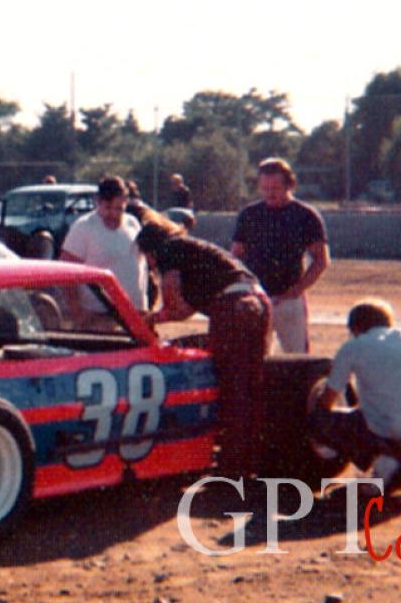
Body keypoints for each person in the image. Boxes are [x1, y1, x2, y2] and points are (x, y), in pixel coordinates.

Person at [136, 211, 271, 475]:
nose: (150, 265)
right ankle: (251, 459)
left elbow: (174, 305)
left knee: (231, 387)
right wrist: (158, 316)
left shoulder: (168, 251)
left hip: (233, 307)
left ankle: (232, 465)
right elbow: (185, 310)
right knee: (252, 385)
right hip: (257, 301)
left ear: (150, 252)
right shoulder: (192, 249)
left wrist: (150, 318)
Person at [309, 299, 401, 497]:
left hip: (396, 433)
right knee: (384, 416)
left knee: (320, 421)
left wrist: (316, 411)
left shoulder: (353, 347)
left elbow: (329, 397)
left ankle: (386, 468)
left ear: (356, 327)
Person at [231, 157, 329, 353]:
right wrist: (245, 290)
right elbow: (236, 257)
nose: (270, 193)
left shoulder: (305, 215)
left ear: (289, 185)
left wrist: (297, 290)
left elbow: (321, 260)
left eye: (275, 188)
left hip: (290, 300)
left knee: (298, 357)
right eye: (265, 188)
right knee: (254, 357)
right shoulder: (249, 215)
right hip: (256, 299)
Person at [60, 175, 148, 316]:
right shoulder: (84, 227)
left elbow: (141, 266)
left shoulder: (133, 224)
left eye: (119, 208)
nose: (113, 214)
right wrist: (76, 309)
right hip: (98, 313)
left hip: (134, 312)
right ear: (98, 201)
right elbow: (66, 271)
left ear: (126, 201)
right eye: (107, 207)